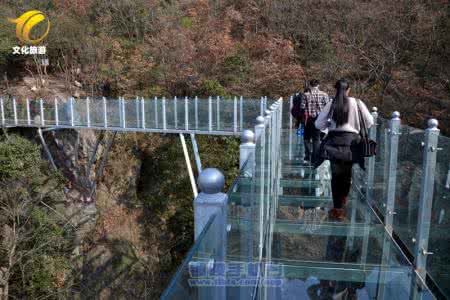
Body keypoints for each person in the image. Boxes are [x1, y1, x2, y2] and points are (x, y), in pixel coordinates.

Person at [315, 79, 374, 220]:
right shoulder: (357, 103)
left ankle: (336, 209)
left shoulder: (332, 103)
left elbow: (318, 124)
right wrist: (356, 125)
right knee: (346, 175)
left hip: (334, 141)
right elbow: (370, 121)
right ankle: (342, 203)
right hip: (352, 143)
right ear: (349, 89)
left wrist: (329, 126)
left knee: (335, 177)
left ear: (336, 89)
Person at [300, 79, 330, 164]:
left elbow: (302, 107)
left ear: (310, 85)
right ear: (318, 85)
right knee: (316, 139)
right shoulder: (324, 94)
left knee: (306, 138)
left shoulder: (305, 95)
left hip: (308, 119)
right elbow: (328, 107)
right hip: (320, 119)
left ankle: (308, 155)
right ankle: (315, 158)